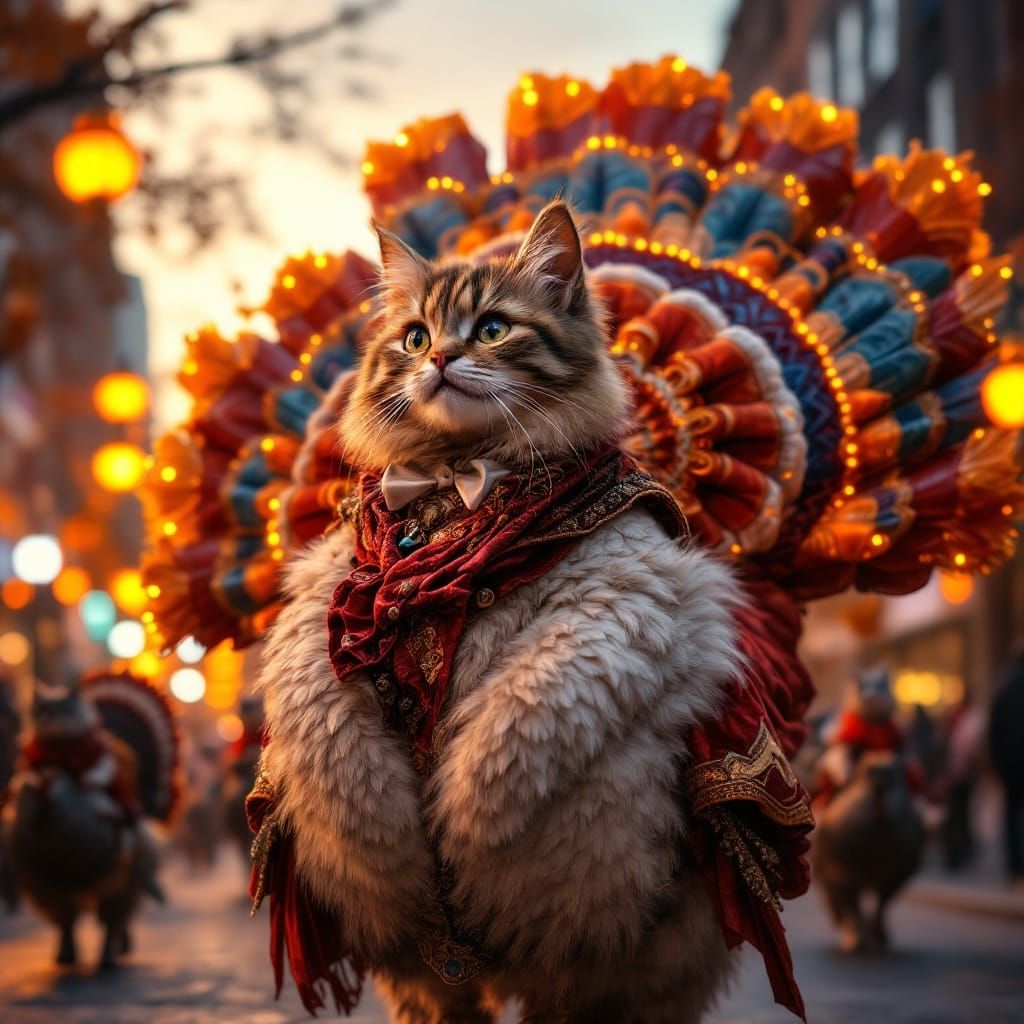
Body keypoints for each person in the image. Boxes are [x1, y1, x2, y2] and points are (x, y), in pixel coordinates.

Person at [989, 649, 1024, 883]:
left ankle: (1015, 870)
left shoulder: (1003, 691)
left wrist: (997, 766)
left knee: (1011, 818)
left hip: (1010, 768)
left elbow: (994, 734)